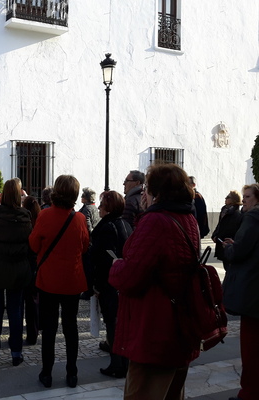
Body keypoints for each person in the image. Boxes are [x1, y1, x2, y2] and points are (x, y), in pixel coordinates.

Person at [109, 163, 201, 400]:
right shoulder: (188, 218)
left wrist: (117, 265)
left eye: (147, 189)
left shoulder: (155, 221)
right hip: (180, 326)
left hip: (154, 330)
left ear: (157, 193)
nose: (143, 194)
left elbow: (131, 277)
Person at [29, 175, 89, 389]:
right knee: (71, 327)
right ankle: (72, 373)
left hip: (49, 280)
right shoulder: (79, 218)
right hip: (72, 280)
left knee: (49, 328)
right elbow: (85, 246)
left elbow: (34, 245)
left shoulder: (45, 215)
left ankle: (47, 373)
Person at [0, 179, 32, 367]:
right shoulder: (25, 217)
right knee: (15, 312)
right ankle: (16, 353)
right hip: (17, 270)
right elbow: (30, 242)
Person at [222, 183, 259, 400]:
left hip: (252, 292)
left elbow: (240, 251)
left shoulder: (253, 218)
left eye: (248, 197)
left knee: (251, 347)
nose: (244, 200)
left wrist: (229, 248)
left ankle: (249, 393)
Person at [90, 190, 132, 378]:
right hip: (123, 281)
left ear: (108, 208)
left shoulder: (107, 228)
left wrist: (96, 285)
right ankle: (124, 362)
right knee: (121, 322)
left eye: (102, 205)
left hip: (110, 282)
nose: (99, 208)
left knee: (112, 323)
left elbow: (100, 259)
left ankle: (117, 364)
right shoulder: (126, 224)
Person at [22, 195, 41, 345]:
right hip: (39, 265)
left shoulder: (25, 224)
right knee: (36, 300)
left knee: (29, 301)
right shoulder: (40, 223)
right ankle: (36, 328)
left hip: (27, 265)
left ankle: (31, 333)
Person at [211, 190, 243, 270]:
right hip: (221, 242)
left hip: (227, 243)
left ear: (234, 199)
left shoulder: (236, 214)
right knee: (226, 265)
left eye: (228, 197)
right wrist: (215, 235)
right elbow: (220, 225)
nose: (225, 198)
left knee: (229, 267)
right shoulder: (224, 211)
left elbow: (230, 229)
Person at [79, 187, 101, 300]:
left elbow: (87, 226)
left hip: (88, 243)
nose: (81, 197)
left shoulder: (87, 209)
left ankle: (87, 291)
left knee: (87, 268)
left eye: (83, 195)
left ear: (86, 198)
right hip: (93, 241)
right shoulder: (94, 207)